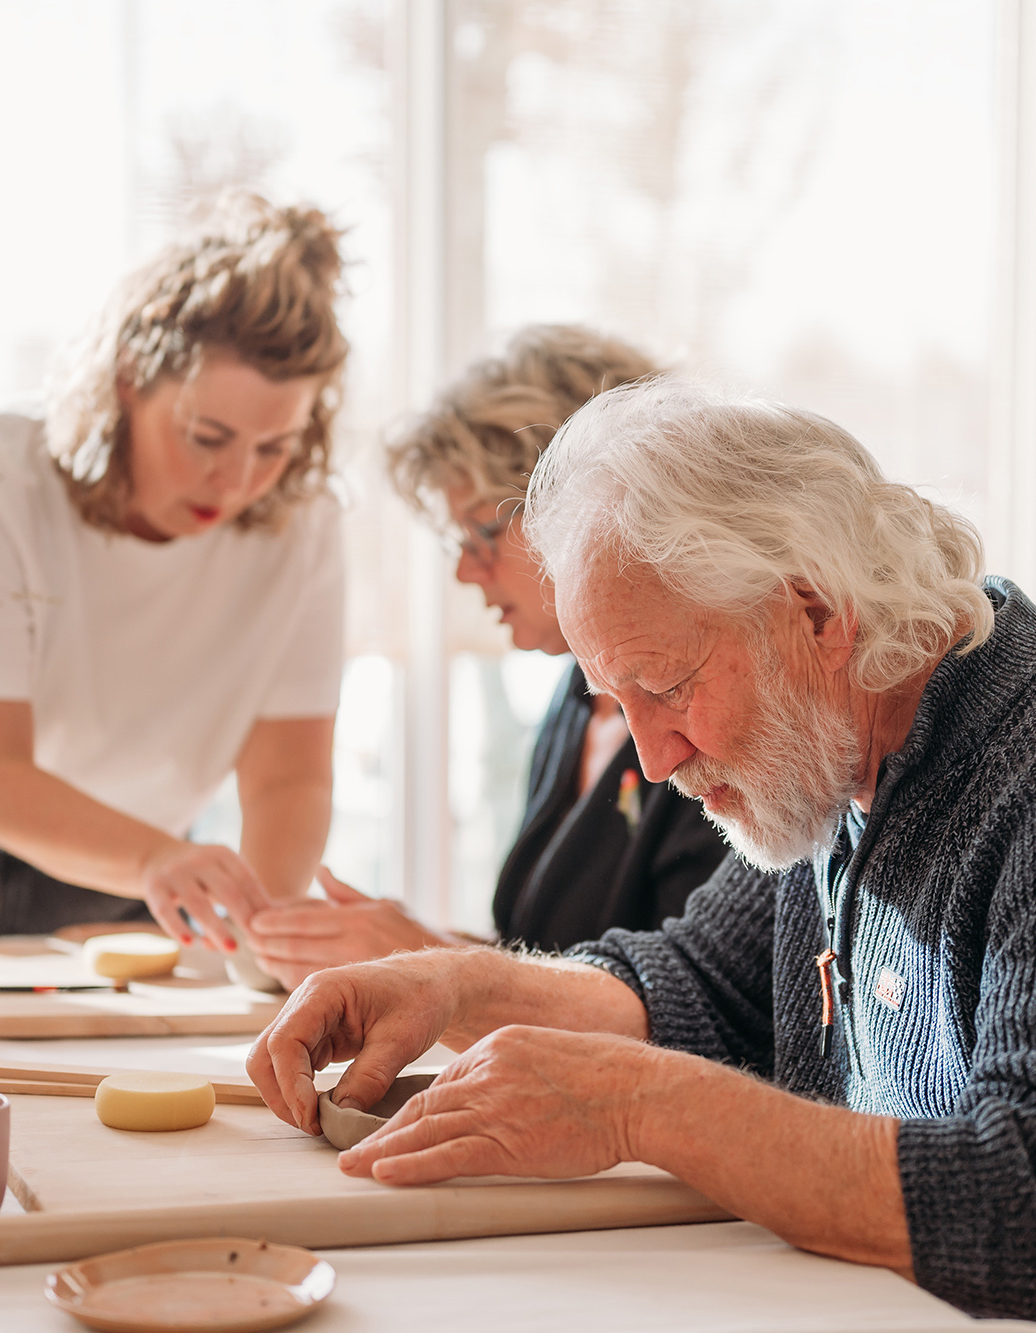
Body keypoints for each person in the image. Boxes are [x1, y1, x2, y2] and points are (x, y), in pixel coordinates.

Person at [245, 380, 1036, 1332]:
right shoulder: (829, 760)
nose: (653, 754)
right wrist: (451, 985)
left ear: (813, 612)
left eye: (669, 688)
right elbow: (693, 987)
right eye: (616, 700)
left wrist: (641, 1104)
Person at [0, 193, 349, 948]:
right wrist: (159, 861)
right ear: (131, 378)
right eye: (207, 436)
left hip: (129, 870)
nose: (236, 480)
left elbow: (288, 779)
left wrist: (264, 928)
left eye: (274, 448)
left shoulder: (307, 524)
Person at [244, 327, 730, 987]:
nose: (466, 574)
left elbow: (694, 1004)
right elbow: (543, 954)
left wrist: (424, 956)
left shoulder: (715, 720)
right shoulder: (575, 700)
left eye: (483, 532)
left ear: (590, 505)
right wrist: (393, 951)